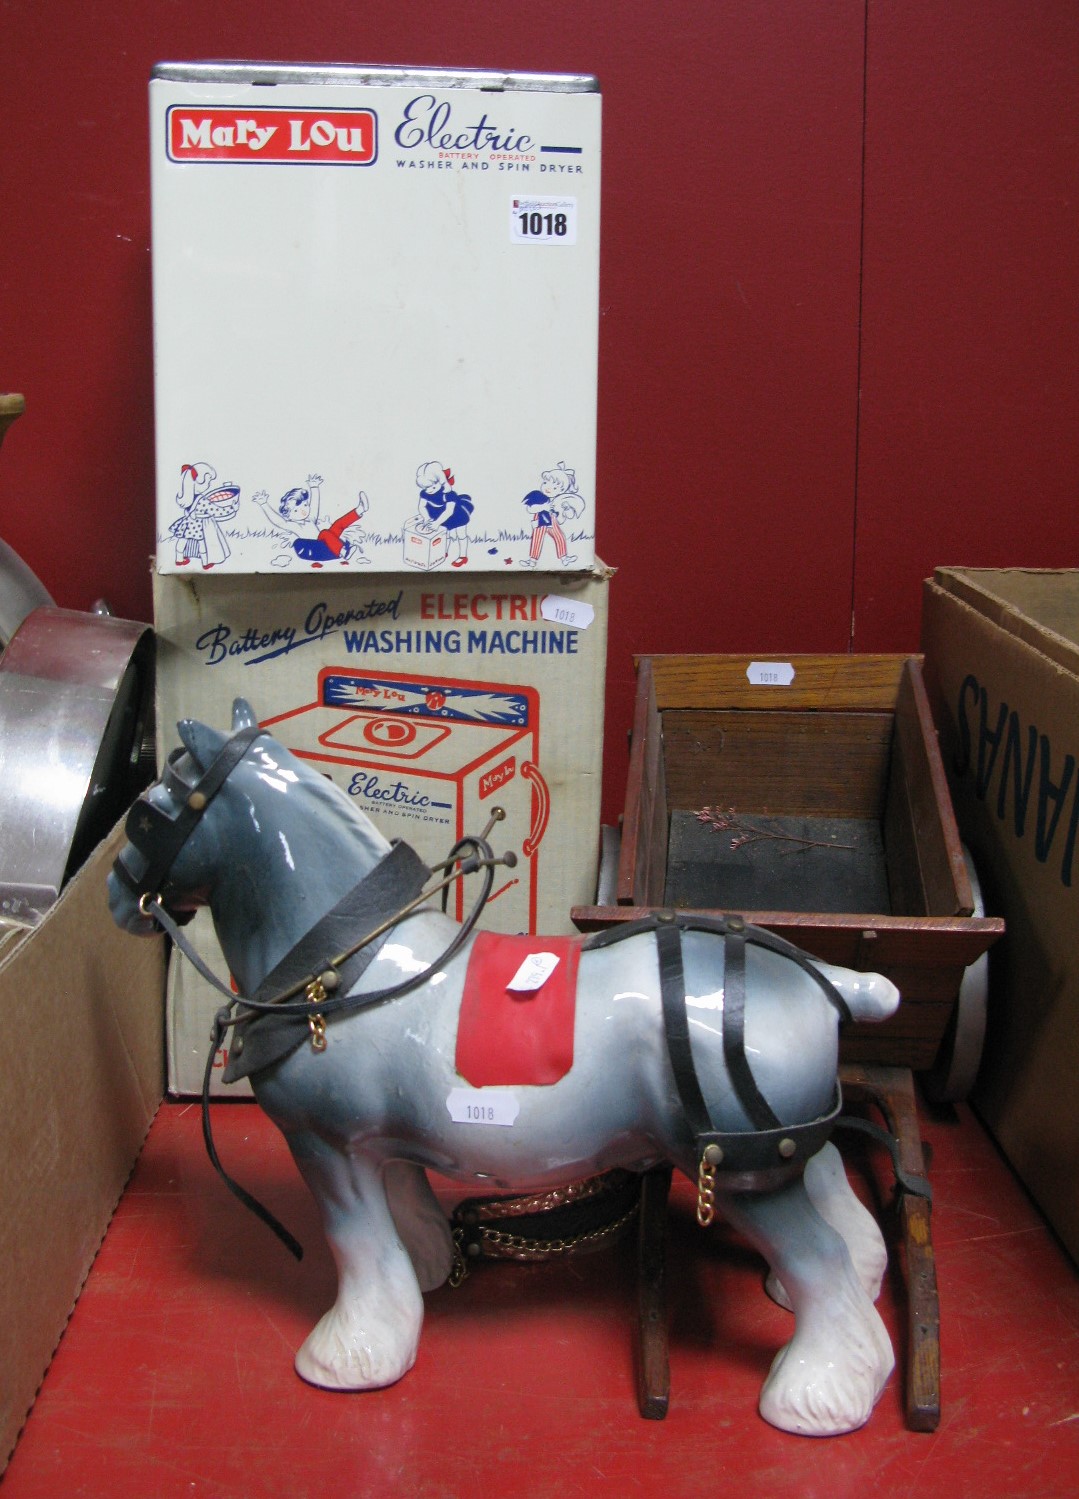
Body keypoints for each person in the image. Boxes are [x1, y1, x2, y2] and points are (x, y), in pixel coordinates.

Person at [254, 475, 370, 567]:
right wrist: (264, 504)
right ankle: (344, 552)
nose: (303, 511)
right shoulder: (293, 525)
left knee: (337, 524)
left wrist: (314, 487)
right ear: (288, 515)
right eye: (296, 510)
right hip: (316, 548)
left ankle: (359, 510)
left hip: (327, 542)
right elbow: (278, 522)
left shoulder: (310, 519)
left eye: (305, 505)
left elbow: (314, 506)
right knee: (324, 533)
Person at [520, 461, 582, 567]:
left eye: (554, 488)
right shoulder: (539, 496)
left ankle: (564, 558)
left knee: (560, 536)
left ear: (561, 490)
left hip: (551, 520)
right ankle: (532, 561)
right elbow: (530, 509)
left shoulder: (558, 501)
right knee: (537, 539)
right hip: (540, 519)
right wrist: (543, 507)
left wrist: (565, 509)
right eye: (545, 483)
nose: (548, 488)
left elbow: (563, 516)